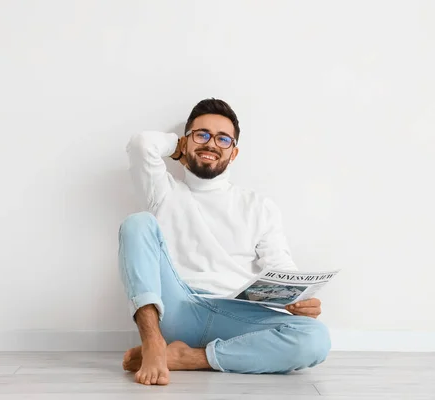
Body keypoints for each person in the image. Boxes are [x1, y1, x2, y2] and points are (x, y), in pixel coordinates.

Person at [118, 98, 330, 386]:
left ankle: (188, 358)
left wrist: (300, 300)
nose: (211, 144)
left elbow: (280, 265)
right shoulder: (164, 191)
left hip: (235, 315)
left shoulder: (258, 205)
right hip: (178, 306)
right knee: (137, 223)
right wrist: (175, 146)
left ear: (234, 152)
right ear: (185, 141)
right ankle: (154, 343)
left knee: (315, 338)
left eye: (222, 139)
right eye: (201, 135)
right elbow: (142, 144)